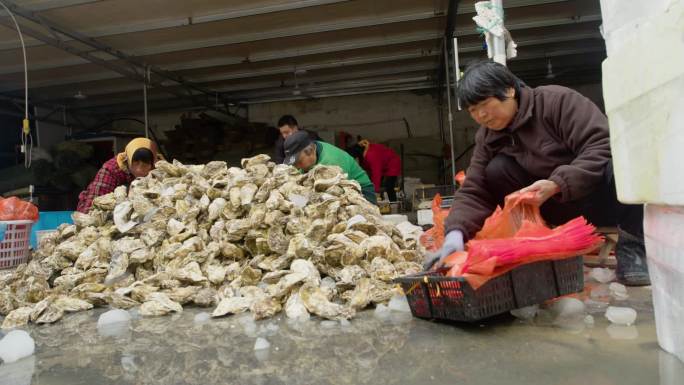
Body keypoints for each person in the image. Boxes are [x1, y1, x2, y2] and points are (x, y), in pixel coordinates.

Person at [427, 61, 648, 286]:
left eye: (485, 104)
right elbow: (475, 189)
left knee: (627, 164)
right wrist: (454, 236)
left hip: (601, 200)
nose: (481, 115)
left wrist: (557, 184)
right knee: (496, 170)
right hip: (556, 210)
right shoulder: (488, 137)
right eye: (473, 110)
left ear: (509, 90)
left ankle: (633, 247)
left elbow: (601, 145)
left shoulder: (556, 102)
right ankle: (537, 242)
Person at [283, 130, 377, 204]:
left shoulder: (330, 163)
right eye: (294, 164)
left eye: (298, 162)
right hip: (340, 192)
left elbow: (334, 196)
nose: (297, 167)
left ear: (310, 151)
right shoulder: (313, 147)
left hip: (362, 193)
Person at [76, 138, 162, 213]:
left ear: (153, 163)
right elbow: (93, 202)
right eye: (135, 163)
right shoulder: (111, 169)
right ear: (127, 160)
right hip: (111, 213)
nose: (139, 169)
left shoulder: (160, 167)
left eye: (145, 165)